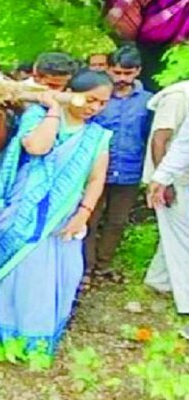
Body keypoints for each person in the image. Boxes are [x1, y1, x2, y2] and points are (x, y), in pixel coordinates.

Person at [0, 70, 113, 356]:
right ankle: (12, 337)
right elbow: (37, 147)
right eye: (90, 99)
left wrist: (83, 214)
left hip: (65, 215)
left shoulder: (97, 135)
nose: (95, 108)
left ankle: (41, 340)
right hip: (24, 213)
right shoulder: (37, 117)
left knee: (62, 275)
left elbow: (95, 179)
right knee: (26, 273)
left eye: (103, 103)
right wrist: (54, 109)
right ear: (70, 91)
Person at [0, 52, 78, 257]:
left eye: (62, 85)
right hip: (6, 166)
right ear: (36, 76)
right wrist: (7, 111)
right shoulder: (11, 94)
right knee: (1, 211)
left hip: (46, 170)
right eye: (52, 85)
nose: (58, 91)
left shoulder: (73, 98)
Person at [86, 45, 153, 282]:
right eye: (117, 73)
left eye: (128, 73)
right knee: (89, 219)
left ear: (138, 71)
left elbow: (150, 136)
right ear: (109, 70)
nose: (122, 79)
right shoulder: (98, 98)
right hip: (95, 169)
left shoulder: (149, 101)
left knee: (117, 221)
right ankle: (85, 268)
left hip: (130, 169)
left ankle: (103, 265)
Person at [143, 80, 189, 319]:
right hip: (181, 180)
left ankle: (159, 281)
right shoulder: (179, 96)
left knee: (177, 237)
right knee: (180, 238)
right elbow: (179, 144)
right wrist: (162, 179)